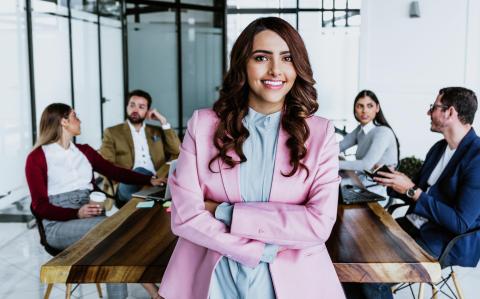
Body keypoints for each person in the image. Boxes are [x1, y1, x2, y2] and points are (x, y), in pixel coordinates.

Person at [158, 17, 344, 299]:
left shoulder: (321, 133)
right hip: (211, 281)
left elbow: (318, 225)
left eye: (287, 58)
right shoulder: (202, 125)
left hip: (296, 285)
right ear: (243, 63)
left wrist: (223, 211)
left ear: (298, 67)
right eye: (261, 57)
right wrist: (257, 249)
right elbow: (184, 217)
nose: (275, 70)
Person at [348, 87, 480, 299]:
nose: (429, 113)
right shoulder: (439, 148)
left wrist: (412, 191)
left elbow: (460, 222)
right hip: (414, 227)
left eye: (434, 107)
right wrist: (392, 180)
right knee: (353, 260)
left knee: (371, 274)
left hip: (444, 242)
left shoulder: (477, 158)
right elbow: (415, 190)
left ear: (450, 113)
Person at [25, 103, 164, 299]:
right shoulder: (37, 158)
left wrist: (148, 180)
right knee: (114, 232)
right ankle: (156, 294)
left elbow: (113, 171)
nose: (79, 120)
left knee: (118, 235)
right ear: (63, 121)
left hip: (92, 218)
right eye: (75, 116)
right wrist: (76, 212)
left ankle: (156, 294)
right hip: (58, 226)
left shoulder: (84, 151)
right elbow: (40, 206)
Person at [99, 89, 180, 203]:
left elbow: (177, 150)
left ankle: (149, 202)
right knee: (139, 171)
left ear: (147, 111)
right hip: (127, 183)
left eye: (141, 107)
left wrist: (163, 122)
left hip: (157, 180)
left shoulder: (156, 131)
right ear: (127, 107)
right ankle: (150, 201)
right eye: (132, 105)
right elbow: (105, 164)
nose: (135, 110)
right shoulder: (112, 132)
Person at [339, 90, 399, 195]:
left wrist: (333, 164)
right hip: (362, 184)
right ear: (355, 109)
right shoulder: (361, 130)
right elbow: (339, 146)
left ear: (377, 108)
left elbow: (366, 165)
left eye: (370, 106)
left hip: (377, 191)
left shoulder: (383, 132)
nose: (364, 110)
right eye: (360, 106)